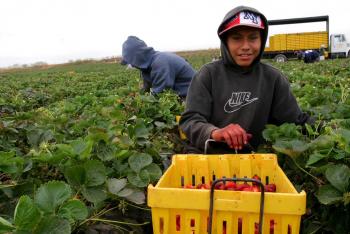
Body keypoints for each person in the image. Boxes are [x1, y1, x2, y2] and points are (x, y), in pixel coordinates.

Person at [179, 6, 313, 153]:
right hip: (211, 156)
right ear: (226, 42)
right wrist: (215, 132)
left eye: (253, 38)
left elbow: (296, 122)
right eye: (236, 38)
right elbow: (190, 120)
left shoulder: (273, 78)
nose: (245, 46)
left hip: (257, 160)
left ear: (261, 40)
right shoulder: (208, 75)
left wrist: (331, 130)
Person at [121, 36, 196, 98]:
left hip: (195, 97)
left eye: (131, 61)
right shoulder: (147, 66)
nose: (132, 65)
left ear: (138, 57)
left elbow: (159, 94)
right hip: (183, 96)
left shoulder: (160, 62)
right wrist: (135, 98)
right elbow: (146, 89)